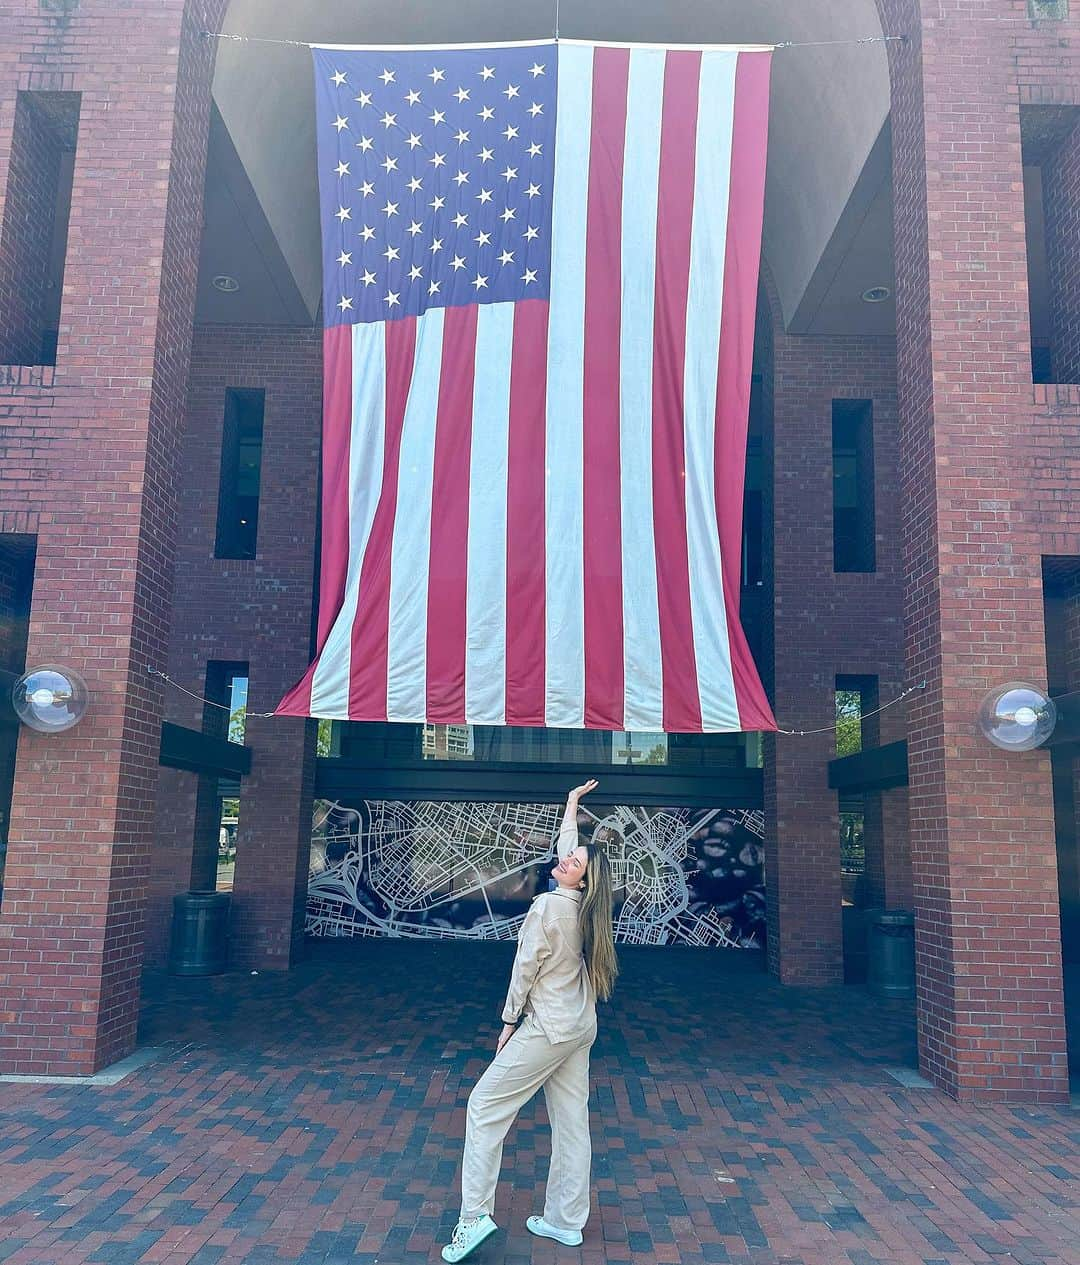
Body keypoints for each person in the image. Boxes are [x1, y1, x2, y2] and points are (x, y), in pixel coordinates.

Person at [441, 780, 619, 1262]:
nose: (564, 861)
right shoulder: (587, 906)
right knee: (571, 1125)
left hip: (548, 1028)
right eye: (568, 856)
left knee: (483, 1107)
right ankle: (565, 1222)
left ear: (580, 878)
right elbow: (571, 854)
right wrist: (571, 806)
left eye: (573, 862)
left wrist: (507, 1022)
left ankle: (473, 1219)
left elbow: (524, 970)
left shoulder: (547, 907)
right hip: (580, 1026)